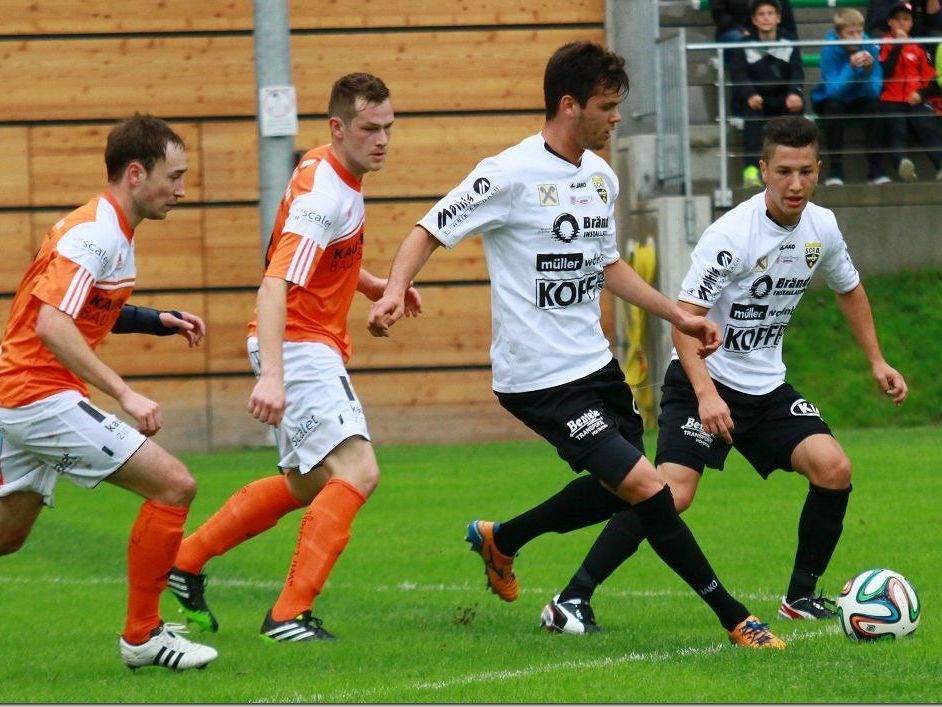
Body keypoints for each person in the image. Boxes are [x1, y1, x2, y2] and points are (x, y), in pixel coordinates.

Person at [368, 41, 785, 649]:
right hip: (536, 377)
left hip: (595, 366)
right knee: (649, 489)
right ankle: (734, 616)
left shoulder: (599, 177)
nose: (616, 118)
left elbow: (607, 265)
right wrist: (394, 289)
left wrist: (681, 316)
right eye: (607, 106)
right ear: (569, 105)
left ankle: (501, 538)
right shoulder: (506, 173)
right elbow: (429, 228)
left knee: (622, 485)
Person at [535, 116, 908, 634]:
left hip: (766, 387)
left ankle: (800, 597)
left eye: (805, 172)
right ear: (763, 171)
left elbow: (848, 287)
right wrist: (708, 396)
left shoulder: (822, 227)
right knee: (669, 493)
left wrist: (876, 360)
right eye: (783, 172)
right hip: (700, 382)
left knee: (833, 468)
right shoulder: (731, 235)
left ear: (818, 170)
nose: (795, 184)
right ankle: (572, 598)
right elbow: (686, 323)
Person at [166, 73, 420, 642]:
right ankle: (288, 615)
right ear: (338, 127)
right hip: (301, 348)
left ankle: (185, 560)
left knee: (306, 483)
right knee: (359, 470)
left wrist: (374, 284)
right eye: (369, 129)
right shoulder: (324, 195)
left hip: (305, 342)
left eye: (389, 129)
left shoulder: (329, 168)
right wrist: (275, 377)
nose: (382, 140)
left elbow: (323, 261)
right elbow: (276, 283)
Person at [0, 114, 218, 670]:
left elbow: (87, 309)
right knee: (174, 485)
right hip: (37, 395)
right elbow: (52, 324)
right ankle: (143, 637)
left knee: (8, 535)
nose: (182, 189)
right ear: (137, 173)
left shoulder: (107, 229)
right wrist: (125, 394)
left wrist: (155, 320)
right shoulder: (95, 233)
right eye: (174, 176)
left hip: (23, 395)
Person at [730, 0, 805, 188]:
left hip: (783, 98)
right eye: (761, 14)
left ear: (778, 17)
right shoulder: (743, 44)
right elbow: (739, 74)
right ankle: (751, 170)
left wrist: (795, 93)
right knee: (752, 113)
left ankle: (798, 169)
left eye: (770, 13)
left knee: (796, 114)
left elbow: (797, 71)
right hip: (758, 99)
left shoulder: (789, 41)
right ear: (754, 20)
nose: (766, 18)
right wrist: (750, 94)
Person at [811, 8, 890, 185]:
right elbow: (833, 91)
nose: (856, 37)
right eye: (850, 33)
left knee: (877, 109)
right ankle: (836, 170)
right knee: (833, 109)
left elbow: (875, 91)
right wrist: (852, 68)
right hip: (834, 98)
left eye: (859, 32)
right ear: (839, 34)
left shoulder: (870, 46)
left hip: (861, 96)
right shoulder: (830, 50)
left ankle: (876, 168)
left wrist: (868, 71)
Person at [877, 1, 942, 181]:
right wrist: (898, 45)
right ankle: (902, 164)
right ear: (890, 22)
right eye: (897, 19)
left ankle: (940, 166)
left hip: (915, 99)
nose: (901, 23)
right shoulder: (883, 43)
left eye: (906, 19)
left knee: (926, 125)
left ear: (911, 23)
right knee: (896, 127)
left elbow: (931, 79)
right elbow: (885, 71)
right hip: (890, 99)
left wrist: (920, 94)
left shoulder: (919, 47)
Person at [712, 0, 798, 42]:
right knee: (745, 41)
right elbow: (719, 16)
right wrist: (741, 30)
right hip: (733, 30)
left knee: (786, 40)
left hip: (767, 32)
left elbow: (787, 19)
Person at [866, 0, 942, 38]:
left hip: (915, 33)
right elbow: (877, 25)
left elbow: (936, 23)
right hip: (888, 34)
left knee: (936, 36)